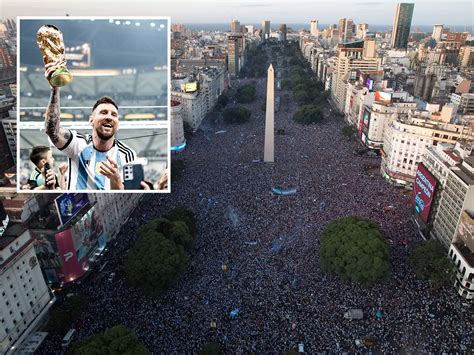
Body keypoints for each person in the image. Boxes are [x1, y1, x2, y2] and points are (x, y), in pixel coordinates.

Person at [44, 62, 137, 190]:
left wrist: (115, 179)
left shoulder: (128, 155)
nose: (109, 117)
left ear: (118, 124)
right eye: (103, 112)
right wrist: (55, 89)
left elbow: (126, 197)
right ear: (91, 120)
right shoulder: (77, 143)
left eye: (114, 114)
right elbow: (52, 131)